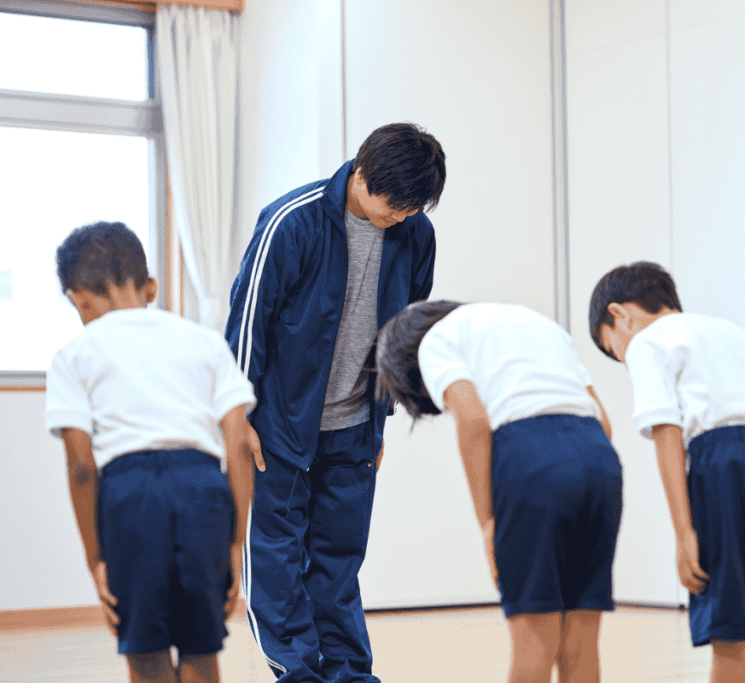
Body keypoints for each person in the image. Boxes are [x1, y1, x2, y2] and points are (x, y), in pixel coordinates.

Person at [225, 123, 445, 683]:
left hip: (355, 425)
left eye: (414, 208)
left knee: (338, 564)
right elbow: (248, 321)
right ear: (362, 174)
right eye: (394, 204)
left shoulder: (416, 233)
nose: (401, 217)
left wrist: (382, 420)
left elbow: (405, 334)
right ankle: (297, 674)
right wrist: (240, 415)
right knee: (275, 562)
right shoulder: (291, 221)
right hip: (277, 425)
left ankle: (349, 674)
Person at [589, 261, 745, 683]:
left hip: (724, 462)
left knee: (729, 628)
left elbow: (668, 433)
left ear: (619, 315)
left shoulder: (647, 343)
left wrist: (684, 534)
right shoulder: (743, 337)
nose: (623, 358)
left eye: (614, 349)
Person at [44, 222, 255, 683]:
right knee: (201, 645)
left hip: (129, 496)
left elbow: (81, 467)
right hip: (204, 490)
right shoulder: (204, 341)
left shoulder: (74, 355)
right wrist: (235, 542)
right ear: (152, 287)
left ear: (78, 298)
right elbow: (238, 446)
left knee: (145, 648)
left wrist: (94, 557)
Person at [375, 300, 622, 683]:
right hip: (599, 460)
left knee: (534, 645)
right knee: (581, 642)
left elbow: (473, 420)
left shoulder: (437, 341)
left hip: (530, 461)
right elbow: (604, 420)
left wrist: (488, 522)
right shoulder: (539, 323)